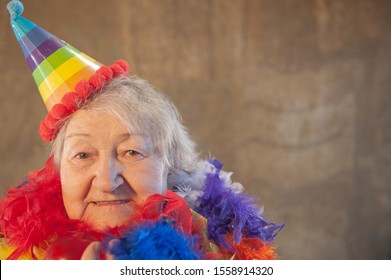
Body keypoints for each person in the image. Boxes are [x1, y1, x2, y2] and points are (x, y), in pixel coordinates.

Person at [0, 0, 283, 260]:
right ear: (58, 172)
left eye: (131, 151)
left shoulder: (230, 253)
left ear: (171, 164)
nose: (107, 183)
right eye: (83, 155)